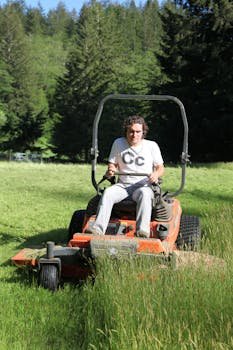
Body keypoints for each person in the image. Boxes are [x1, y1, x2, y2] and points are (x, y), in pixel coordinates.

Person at [87, 115, 164, 238]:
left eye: (138, 132)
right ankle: (97, 229)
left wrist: (155, 174)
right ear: (126, 131)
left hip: (142, 186)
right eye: (131, 131)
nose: (134, 135)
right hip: (123, 186)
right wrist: (111, 170)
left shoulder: (151, 146)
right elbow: (112, 164)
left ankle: (142, 232)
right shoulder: (118, 143)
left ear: (143, 132)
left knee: (145, 194)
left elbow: (160, 168)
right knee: (108, 193)